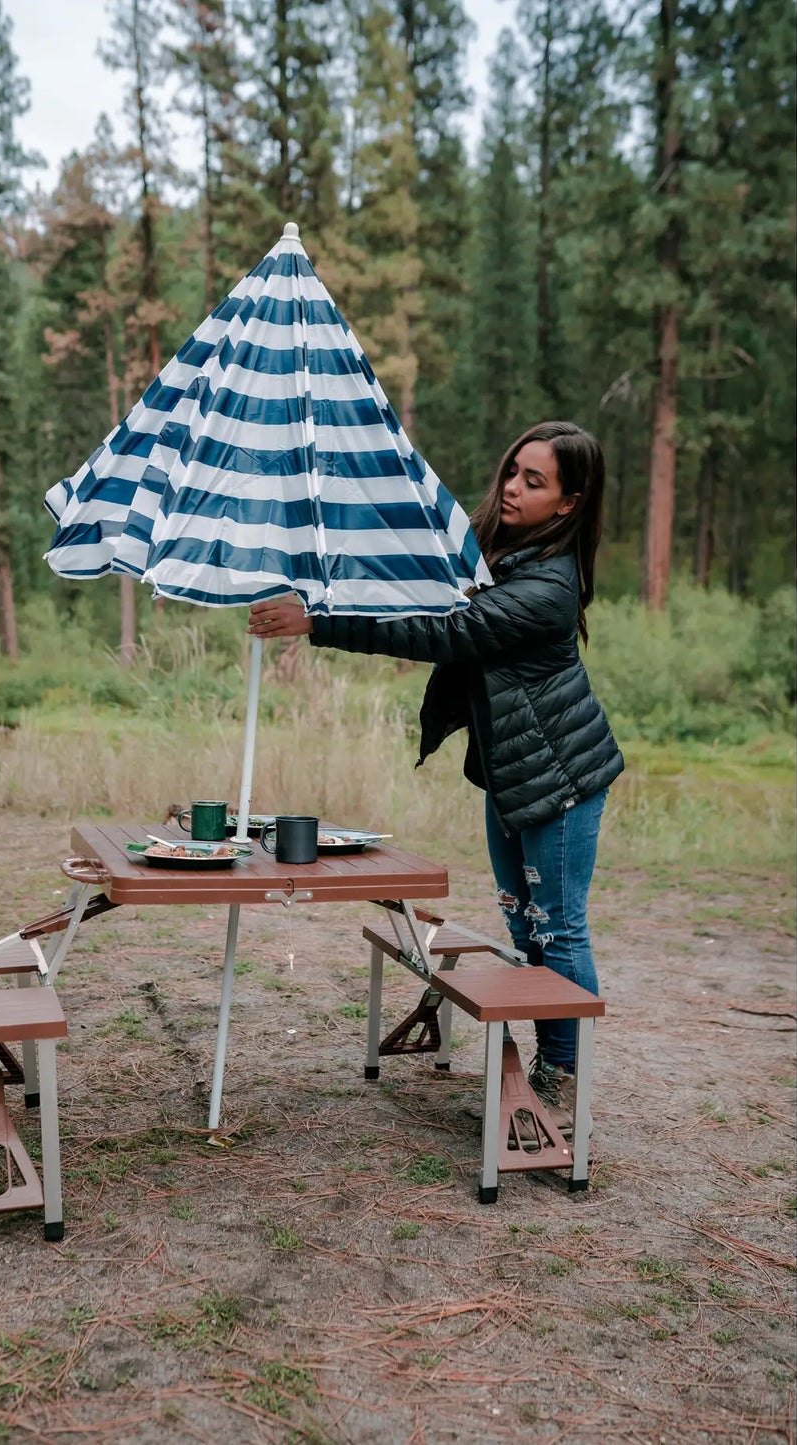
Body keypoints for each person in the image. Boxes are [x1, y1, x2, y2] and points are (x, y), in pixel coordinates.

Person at [248, 420, 624, 1127]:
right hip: (513, 774)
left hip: (563, 778)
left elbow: (441, 630)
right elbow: (410, 551)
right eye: (512, 470)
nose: (512, 486)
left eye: (533, 481)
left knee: (559, 926)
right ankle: (549, 1057)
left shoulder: (544, 586)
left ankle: (562, 1073)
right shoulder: (496, 549)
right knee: (522, 921)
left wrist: (317, 620)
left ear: (568, 503)